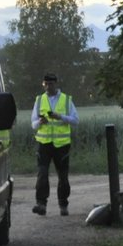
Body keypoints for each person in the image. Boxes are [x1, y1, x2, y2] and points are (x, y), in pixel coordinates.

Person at [31, 72, 78, 216]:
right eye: (45, 84)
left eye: (50, 84)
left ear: (56, 84)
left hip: (61, 144)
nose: (48, 86)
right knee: (42, 174)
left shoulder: (66, 99)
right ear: (43, 84)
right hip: (44, 143)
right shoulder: (39, 100)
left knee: (63, 177)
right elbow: (33, 125)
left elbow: (75, 120)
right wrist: (40, 122)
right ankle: (41, 204)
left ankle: (63, 204)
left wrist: (60, 117)